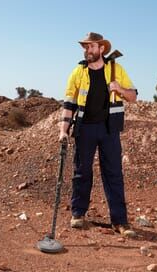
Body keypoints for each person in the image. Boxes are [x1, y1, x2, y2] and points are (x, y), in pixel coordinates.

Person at [59, 32, 138, 237]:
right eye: (85, 47)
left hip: (109, 129)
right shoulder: (78, 72)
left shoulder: (115, 69)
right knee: (82, 172)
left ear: (101, 48)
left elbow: (134, 97)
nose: (87, 51)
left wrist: (119, 88)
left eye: (91, 47)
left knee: (113, 174)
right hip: (84, 129)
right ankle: (78, 214)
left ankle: (120, 222)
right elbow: (69, 104)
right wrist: (63, 130)